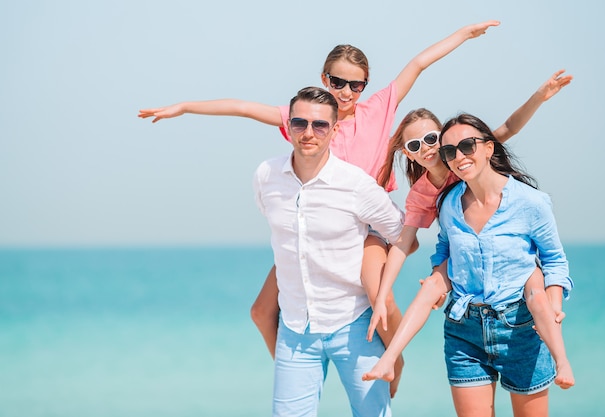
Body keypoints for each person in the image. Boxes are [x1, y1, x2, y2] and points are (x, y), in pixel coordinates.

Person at [139, 20, 500, 396]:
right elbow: (243, 107)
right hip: (315, 230)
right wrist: (183, 107)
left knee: (377, 288)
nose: (345, 92)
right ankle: (299, 372)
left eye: (355, 84)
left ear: (365, 85)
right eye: (337, 82)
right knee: (261, 312)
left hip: (368, 226)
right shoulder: (311, 119)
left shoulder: (377, 109)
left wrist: (462, 35)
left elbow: (418, 64)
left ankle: (394, 357)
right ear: (325, 79)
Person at [367, 71, 575, 388]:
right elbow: (401, 243)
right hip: (461, 253)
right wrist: (382, 296)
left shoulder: (466, 153)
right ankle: (390, 359)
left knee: (534, 283)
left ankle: (562, 361)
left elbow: (507, 128)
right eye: (414, 144)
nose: (427, 148)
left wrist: (540, 96)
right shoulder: (423, 193)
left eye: (432, 139)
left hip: (503, 246)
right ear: (406, 153)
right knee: (431, 287)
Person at [254, 86, 403, 416]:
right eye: (299, 123)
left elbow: (402, 234)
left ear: (335, 130)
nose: (309, 133)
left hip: (354, 324)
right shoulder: (266, 176)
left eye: (320, 125)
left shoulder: (357, 185)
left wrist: (376, 260)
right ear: (288, 126)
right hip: (295, 328)